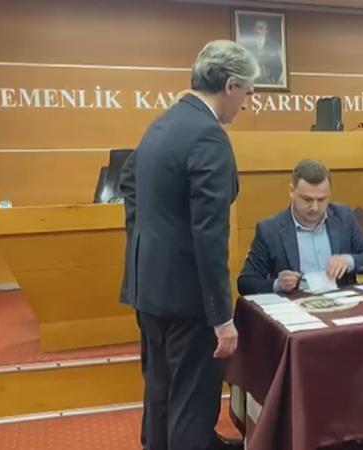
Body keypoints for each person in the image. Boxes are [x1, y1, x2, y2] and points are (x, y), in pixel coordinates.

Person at [119, 40, 259, 450]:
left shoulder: (162, 123)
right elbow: (210, 235)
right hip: (188, 298)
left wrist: (147, 244)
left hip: (149, 288)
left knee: (160, 394)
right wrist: (221, 317)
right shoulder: (208, 136)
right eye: (247, 91)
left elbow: (128, 182)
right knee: (192, 405)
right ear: (229, 86)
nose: (247, 102)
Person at [237, 159, 363, 294]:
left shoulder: (343, 217)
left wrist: (348, 261)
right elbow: (246, 282)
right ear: (291, 191)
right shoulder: (270, 230)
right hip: (296, 306)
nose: (315, 207)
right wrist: (277, 284)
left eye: (321, 200)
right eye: (307, 199)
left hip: (343, 304)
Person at [241, 19, 283, 86]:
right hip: (252, 80)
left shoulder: (274, 46)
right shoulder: (247, 45)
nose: (258, 31)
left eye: (261, 28)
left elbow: (279, 65)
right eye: (256, 28)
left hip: (269, 80)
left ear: (266, 31)